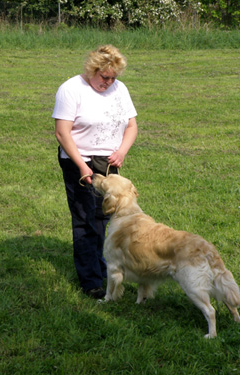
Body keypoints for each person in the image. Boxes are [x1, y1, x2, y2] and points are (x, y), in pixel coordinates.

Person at [53, 45, 138, 299]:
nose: (109, 82)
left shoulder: (119, 89)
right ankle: (91, 281)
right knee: (85, 219)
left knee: (105, 217)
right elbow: (62, 132)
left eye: (113, 78)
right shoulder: (71, 89)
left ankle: (101, 267)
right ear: (93, 70)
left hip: (110, 163)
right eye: (104, 77)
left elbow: (132, 126)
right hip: (79, 160)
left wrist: (121, 151)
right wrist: (81, 165)